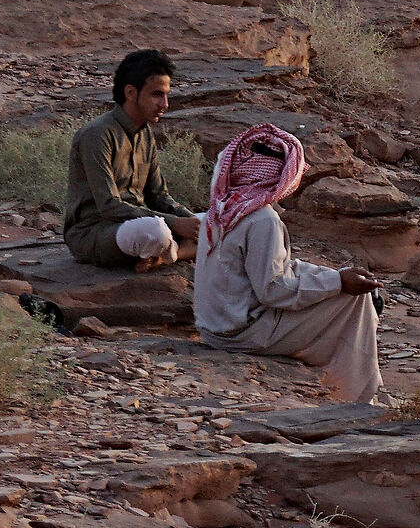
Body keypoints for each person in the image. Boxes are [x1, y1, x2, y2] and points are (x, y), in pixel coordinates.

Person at [192, 123, 386, 404]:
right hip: (240, 334)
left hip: (213, 328)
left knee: (343, 291)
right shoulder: (262, 220)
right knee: (354, 301)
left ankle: (349, 386)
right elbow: (273, 290)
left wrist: (335, 275)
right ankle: (359, 397)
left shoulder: (223, 208)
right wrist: (339, 283)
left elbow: (274, 269)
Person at [64, 50, 201, 270]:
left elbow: (158, 196)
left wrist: (191, 221)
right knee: (156, 232)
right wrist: (174, 223)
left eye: (166, 95)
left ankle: (166, 255)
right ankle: (171, 250)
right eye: (156, 94)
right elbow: (109, 206)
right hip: (96, 232)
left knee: (217, 224)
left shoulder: (145, 133)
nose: (164, 104)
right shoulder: (97, 134)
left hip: (136, 223)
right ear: (130, 92)